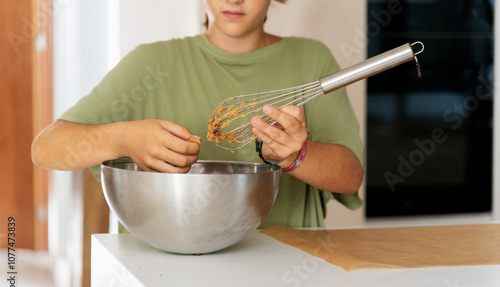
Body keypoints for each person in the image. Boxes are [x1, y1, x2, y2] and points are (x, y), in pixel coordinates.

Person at [32, 0, 364, 228]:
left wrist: (297, 156)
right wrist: (122, 138)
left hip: (287, 270)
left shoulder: (310, 59)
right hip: (168, 273)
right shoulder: (151, 64)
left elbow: (350, 177)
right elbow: (45, 147)